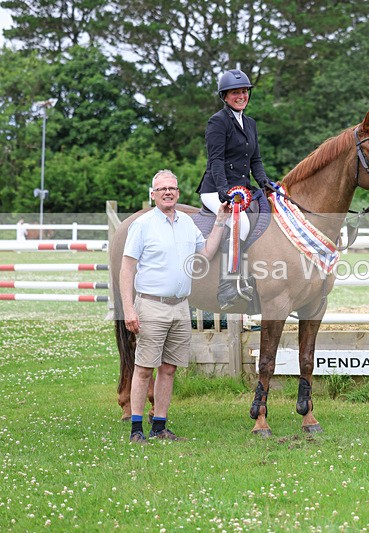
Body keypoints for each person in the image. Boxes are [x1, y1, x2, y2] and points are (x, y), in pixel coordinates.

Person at [120, 169, 231, 444]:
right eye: (162, 189)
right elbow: (127, 268)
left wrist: (220, 221)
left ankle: (160, 425)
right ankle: (136, 429)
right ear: (153, 194)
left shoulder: (187, 223)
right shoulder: (143, 225)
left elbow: (205, 252)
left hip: (181, 307)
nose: (168, 192)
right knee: (144, 367)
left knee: (169, 368)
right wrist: (128, 309)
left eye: (172, 188)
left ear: (178, 193)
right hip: (151, 306)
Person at [196, 68, 271, 309]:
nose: (241, 96)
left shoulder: (250, 123)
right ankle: (227, 286)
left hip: (243, 190)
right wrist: (222, 190)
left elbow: (255, 160)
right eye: (235, 92)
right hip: (215, 190)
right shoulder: (217, 121)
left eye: (244, 91)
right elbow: (215, 160)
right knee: (242, 225)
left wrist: (265, 183)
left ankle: (252, 276)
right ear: (225, 96)